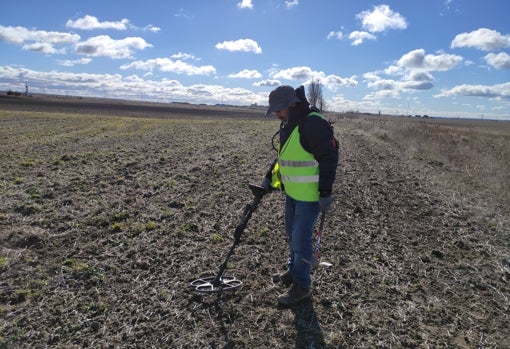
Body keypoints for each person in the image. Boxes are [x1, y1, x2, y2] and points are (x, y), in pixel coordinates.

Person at [261, 85, 339, 306]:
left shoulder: (312, 123)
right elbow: (285, 157)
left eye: (279, 109)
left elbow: (328, 157)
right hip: (293, 193)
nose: (276, 113)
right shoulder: (289, 124)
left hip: (310, 196)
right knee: (291, 235)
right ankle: (294, 271)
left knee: (301, 240)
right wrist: (269, 178)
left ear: (292, 104)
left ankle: (302, 286)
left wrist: (325, 192)